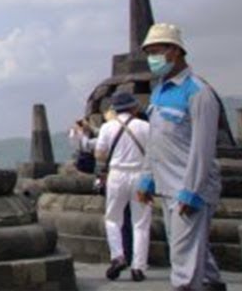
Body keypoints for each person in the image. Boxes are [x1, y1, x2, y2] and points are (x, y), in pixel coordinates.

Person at [135, 22, 225, 291]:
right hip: (167, 184)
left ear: (174, 50)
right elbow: (155, 140)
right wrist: (146, 178)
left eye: (156, 51)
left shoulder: (198, 92)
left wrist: (192, 190)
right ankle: (213, 285)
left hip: (189, 186)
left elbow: (203, 148)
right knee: (190, 248)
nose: (152, 58)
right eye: (149, 52)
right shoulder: (159, 92)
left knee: (183, 258)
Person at [97, 91, 151, 282]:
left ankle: (118, 256)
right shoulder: (145, 126)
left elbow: (99, 154)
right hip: (141, 176)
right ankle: (138, 267)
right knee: (140, 223)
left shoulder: (107, 127)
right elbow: (153, 152)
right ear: (134, 108)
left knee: (113, 218)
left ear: (114, 109)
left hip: (117, 175)